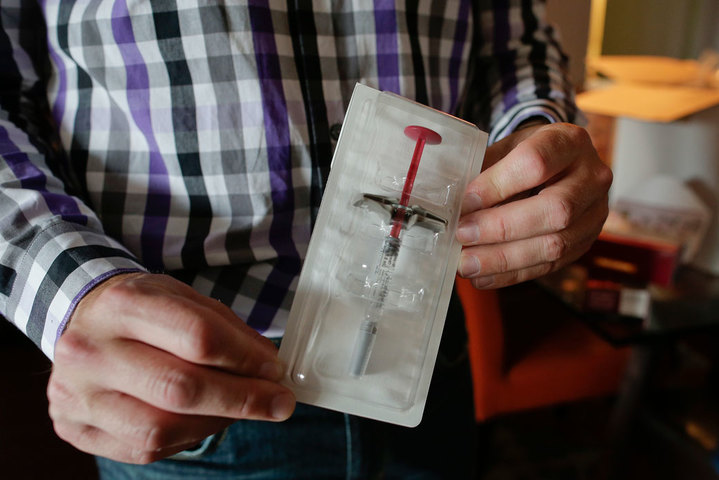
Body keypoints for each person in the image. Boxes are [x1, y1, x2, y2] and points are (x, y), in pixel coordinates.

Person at [0, 1, 611, 478]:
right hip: (188, 378)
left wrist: (536, 132)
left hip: (424, 348)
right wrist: (72, 286)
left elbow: (513, 44)